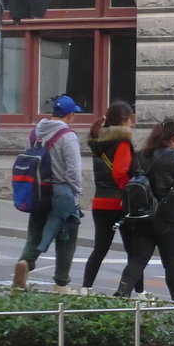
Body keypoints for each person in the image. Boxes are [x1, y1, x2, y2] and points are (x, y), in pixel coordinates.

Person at [114, 118, 174, 309]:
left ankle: (122, 295)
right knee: (172, 263)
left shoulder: (140, 155)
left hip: (143, 215)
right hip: (169, 218)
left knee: (137, 260)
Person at [13, 95, 84, 293]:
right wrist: (76, 194)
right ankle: (61, 284)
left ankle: (25, 262)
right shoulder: (67, 136)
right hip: (62, 193)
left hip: (37, 191)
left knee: (35, 234)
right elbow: (74, 170)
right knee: (66, 238)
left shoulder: (34, 132)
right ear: (69, 115)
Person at [80, 100, 143, 297]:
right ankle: (139, 293)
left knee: (100, 248)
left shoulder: (98, 142)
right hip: (120, 203)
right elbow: (120, 173)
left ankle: (86, 288)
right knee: (134, 252)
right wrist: (130, 192)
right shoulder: (122, 143)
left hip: (100, 202)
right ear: (125, 120)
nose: (131, 123)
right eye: (130, 119)